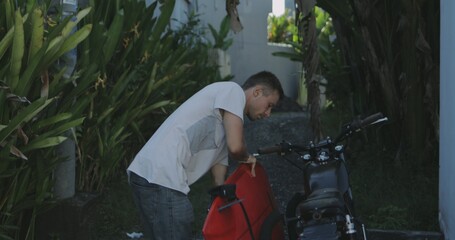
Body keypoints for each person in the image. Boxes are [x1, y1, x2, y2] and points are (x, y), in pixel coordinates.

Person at [127, 71, 284, 239]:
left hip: (150, 175)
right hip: (161, 177)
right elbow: (236, 147)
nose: (268, 114)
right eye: (269, 105)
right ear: (257, 92)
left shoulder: (224, 120)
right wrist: (248, 158)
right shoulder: (233, 91)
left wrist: (226, 201)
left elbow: (219, 176)